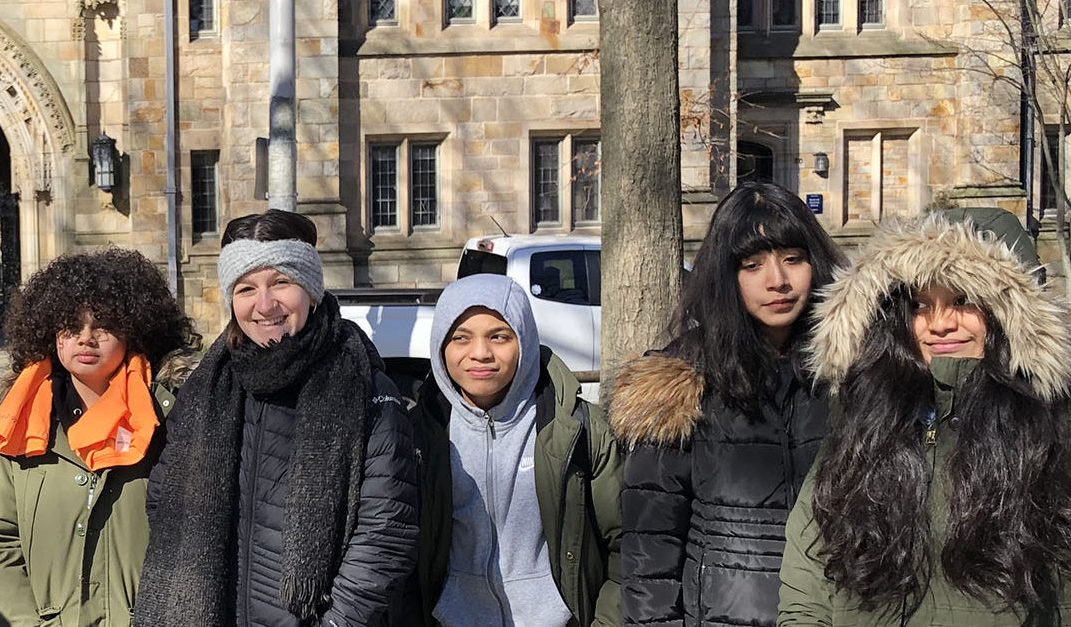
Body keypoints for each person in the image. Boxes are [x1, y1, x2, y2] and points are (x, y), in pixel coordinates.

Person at [778, 213, 1071, 625]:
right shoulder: (867, 417)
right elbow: (808, 571)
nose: (940, 324)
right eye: (919, 305)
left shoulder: (1052, 427)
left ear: (1012, 314)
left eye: (963, 301)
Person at [133, 209, 419, 627]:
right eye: (246, 288)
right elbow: (164, 498)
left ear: (311, 290)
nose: (265, 305)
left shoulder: (363, 388)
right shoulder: (206, 388)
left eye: (281, 282)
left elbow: (385, 529)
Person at [611, 182, 848, 627]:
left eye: (793, 259)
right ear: (725, 275)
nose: (777, 280)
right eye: (752, 265)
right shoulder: (678, 384)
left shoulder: (850, 375)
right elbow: (651, 548)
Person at [0, 248, 202, 627]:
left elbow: (198, 537)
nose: (86, 339)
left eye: (103, 325)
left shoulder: (171, 416)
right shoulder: (22, 419)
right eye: (71, 325)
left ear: (135, 328)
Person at [407, 273, 622, 626]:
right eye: (461, 338)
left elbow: (626, 545)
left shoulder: (579, 429)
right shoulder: (417, 435)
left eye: (499, 336)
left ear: (524, 340)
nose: (480, 353)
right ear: (440, 346)